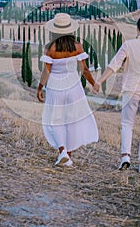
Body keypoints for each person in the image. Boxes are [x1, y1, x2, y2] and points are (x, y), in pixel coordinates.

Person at [93, 15, 140, 173]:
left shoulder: (129, 45)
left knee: (127, 124)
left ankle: (125, 156)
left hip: (130, 91)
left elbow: (114, 66)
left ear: (137, 29)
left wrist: (99, 81)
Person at [37, 13, 99, 167]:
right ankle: (67, 155)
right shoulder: (78, 46)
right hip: (74, 87)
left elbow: (46, 72)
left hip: (55, 88)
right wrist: (93, 83)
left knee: (56, 120)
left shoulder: (50, 48)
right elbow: (84, 69)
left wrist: (40, 87)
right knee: (71, 120)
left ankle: (63, 152)